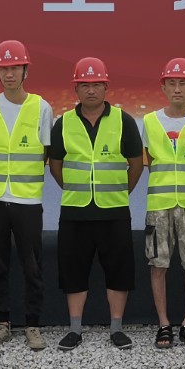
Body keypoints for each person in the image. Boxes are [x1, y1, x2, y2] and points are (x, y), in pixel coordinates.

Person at [48, 57, 144, 350]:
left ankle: (116, 328)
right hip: (75, 210)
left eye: (97, 84)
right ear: (76, 89)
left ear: (106, 87)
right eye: (85, 85)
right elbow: (56, 165)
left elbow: (136, 164)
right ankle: (75, 329)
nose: (91, 90)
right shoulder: (63, 123)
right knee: (73, 271)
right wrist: (75, 188)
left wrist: (119, 192)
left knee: (119, 270)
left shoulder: (124, 121)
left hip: (114, 210)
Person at [0, 39, 53, 351]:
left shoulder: (41, 107)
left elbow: (45, 152)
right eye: (3, 68)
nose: (9, 74)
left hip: (27, 199)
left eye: (15, 68)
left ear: (25, 71)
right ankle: (2, 324)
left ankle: (33, 326)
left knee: (32, 266)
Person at [142, 58, 185, 349]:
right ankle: (164, 324)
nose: (178, 89)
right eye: (172, 83)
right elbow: (148, 160)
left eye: (184, 83)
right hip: (159, 204)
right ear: (164, 87)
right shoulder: (149, 121)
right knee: (158, 264)